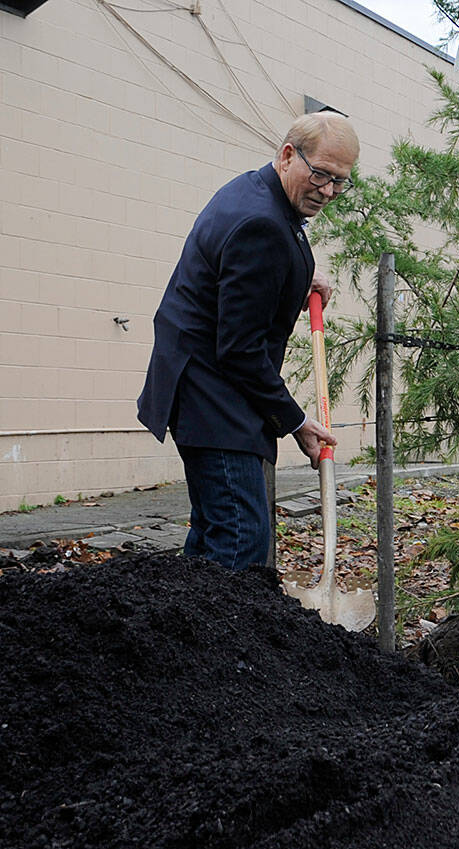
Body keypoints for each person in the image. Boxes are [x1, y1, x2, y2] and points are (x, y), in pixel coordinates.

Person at [137, 112, 359, 571]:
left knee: (212, 535)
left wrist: (297, 278)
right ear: (286, 155)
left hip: (204, 384)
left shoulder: (259, 192)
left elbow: (240, 279)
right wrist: (297, 422)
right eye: (320, 174)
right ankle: (215, 642)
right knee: (240, 541)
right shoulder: (261, 223)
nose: (329, 191)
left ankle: (182, 633)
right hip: (211, 396)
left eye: (340, 181)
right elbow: (238, 350)